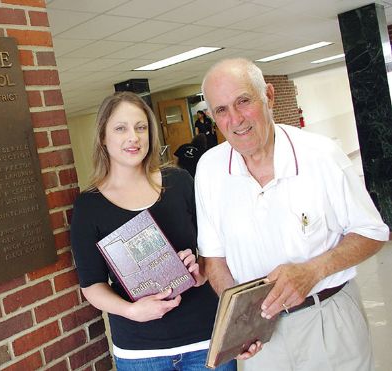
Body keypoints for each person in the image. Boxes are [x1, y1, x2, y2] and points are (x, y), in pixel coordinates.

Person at [195, 58, 390, 371]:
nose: (235, 119)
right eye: (221, 110)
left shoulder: (320, 154)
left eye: (243, 101)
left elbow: (373, 232)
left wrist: (311, 271)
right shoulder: (209, 169)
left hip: (328, 318)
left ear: (269, 96)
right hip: (262, 336)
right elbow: (215, 260)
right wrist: (238, 320)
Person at [70, 91, 236, 371]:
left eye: (141, 127)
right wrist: (131, 311)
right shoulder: (89, 207)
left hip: (204, 338)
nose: (133, 137)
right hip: (140, 352)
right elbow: (92, 286)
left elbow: (215, 249)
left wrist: (201, 271)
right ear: (102, 137)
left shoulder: (180, 182)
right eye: (120, 128)